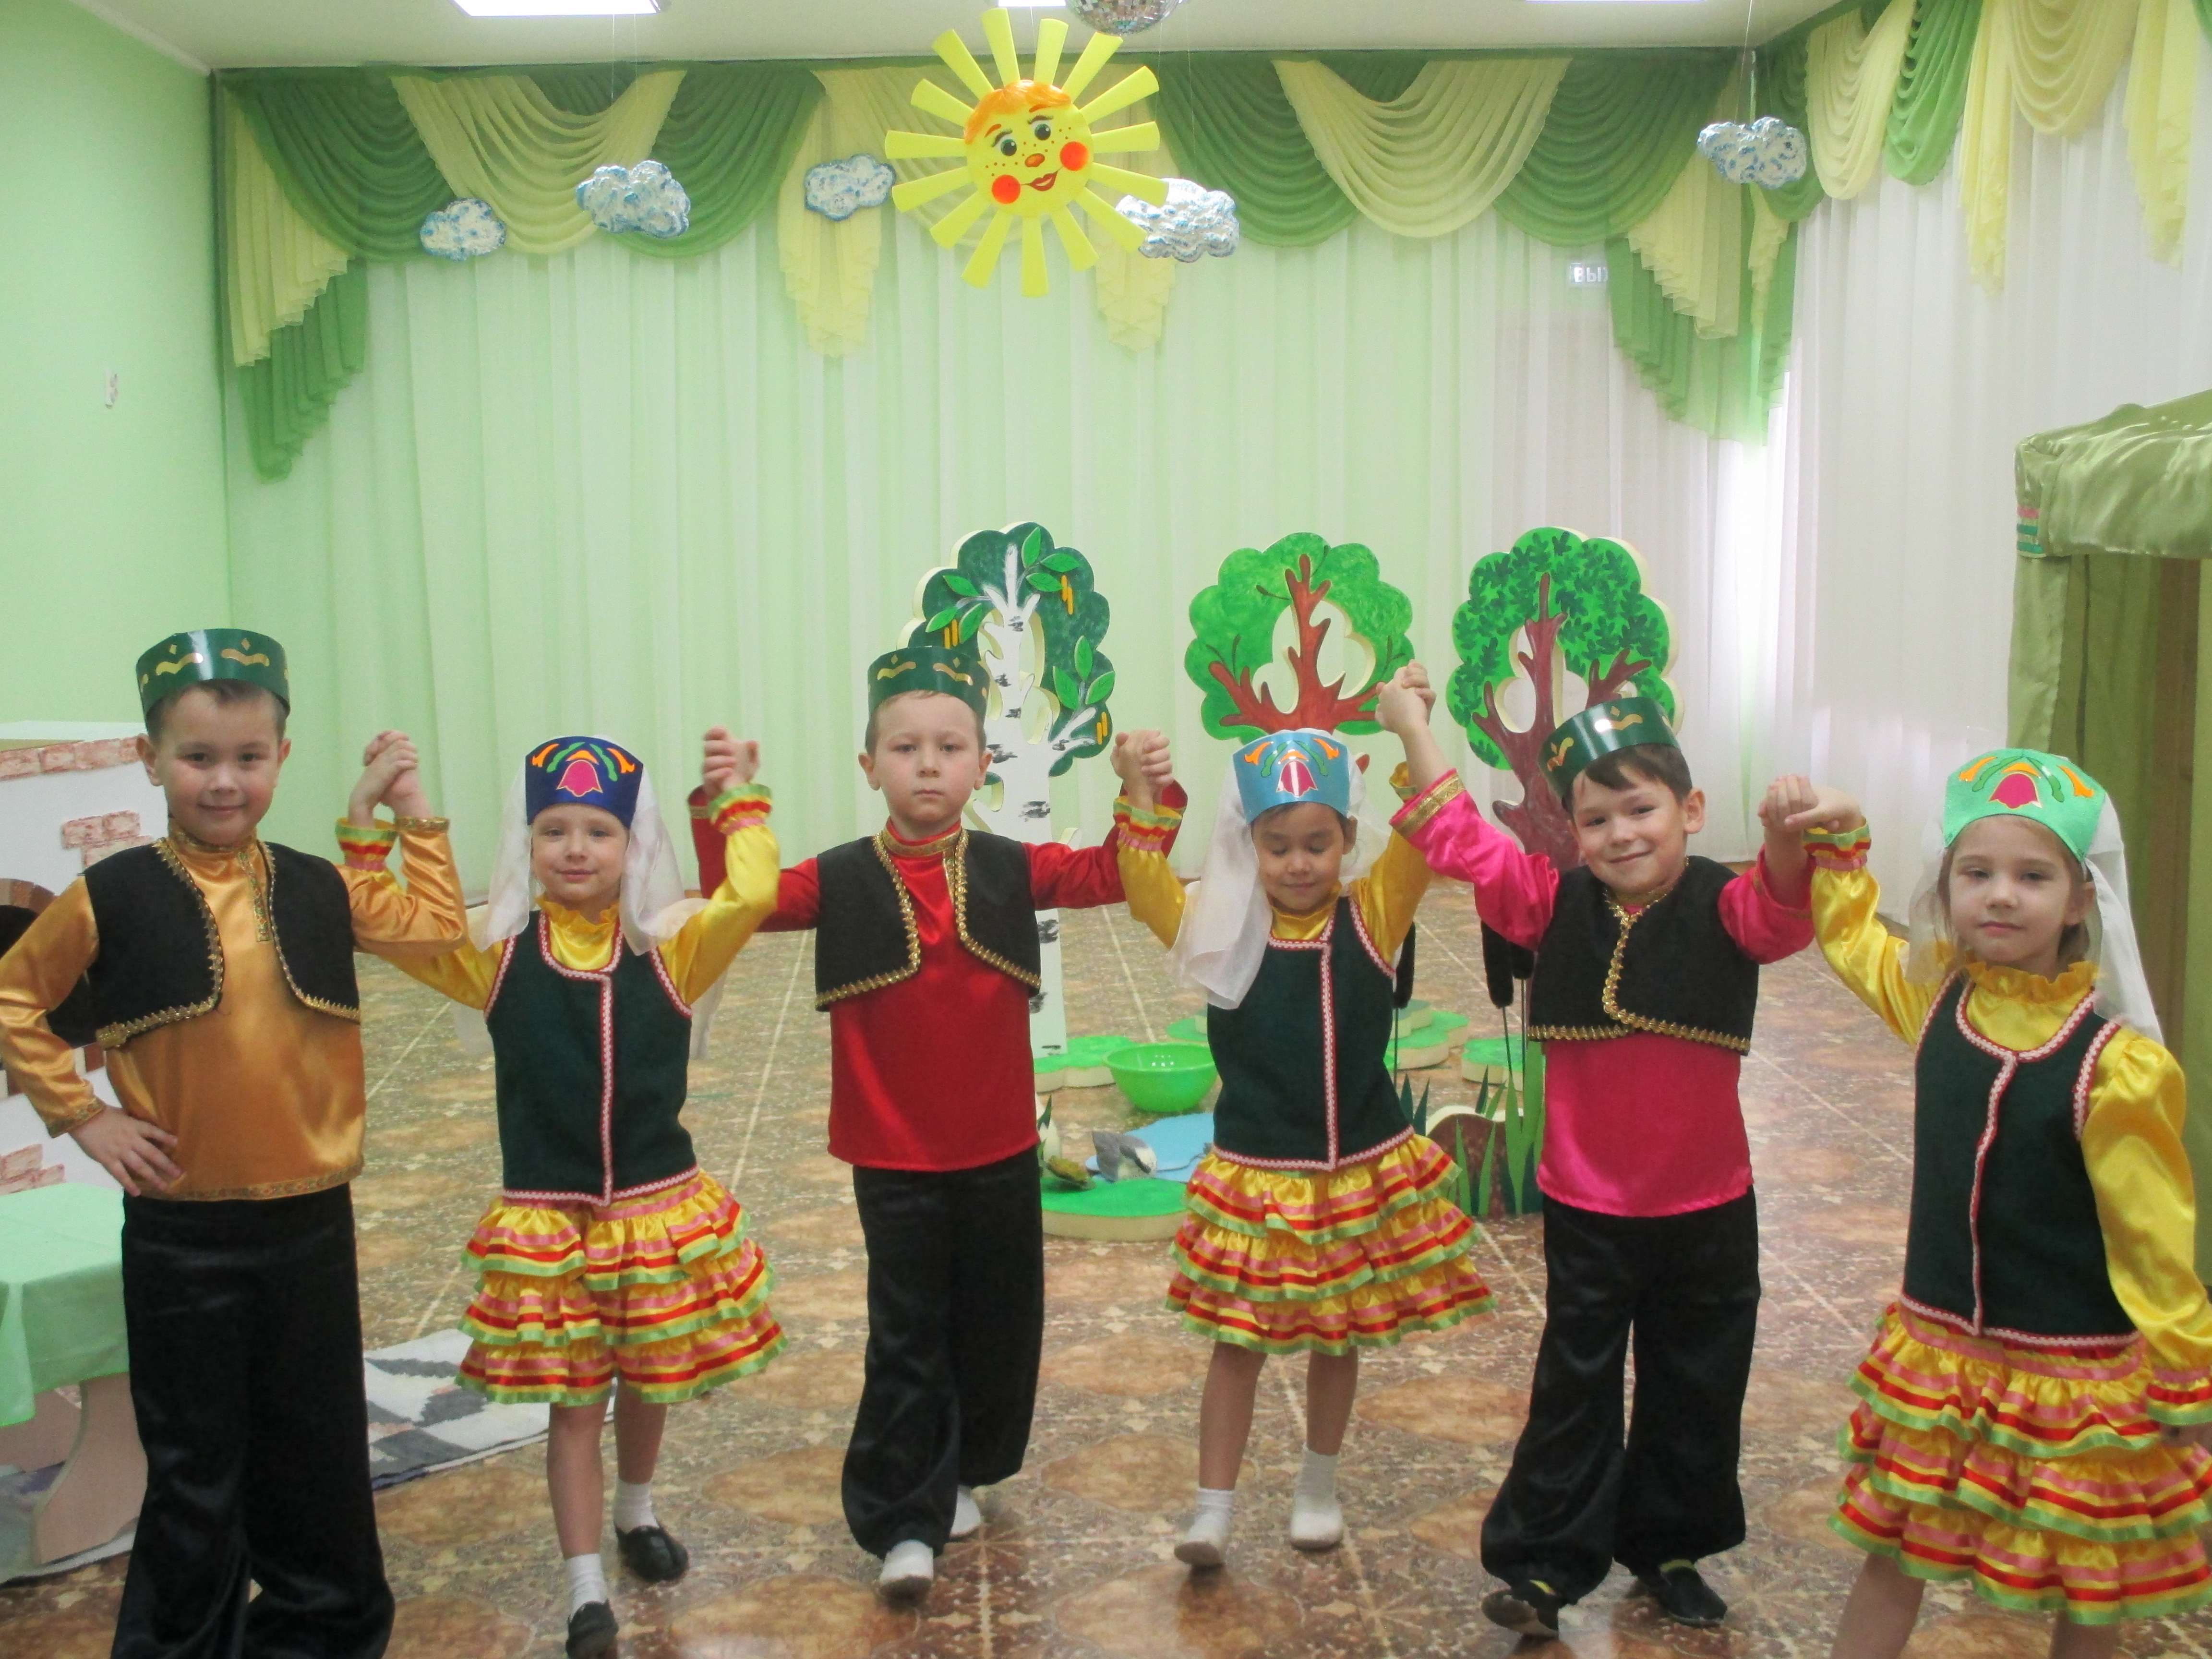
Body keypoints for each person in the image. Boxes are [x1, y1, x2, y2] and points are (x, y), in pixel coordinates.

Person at [0, 629, 467, 1659]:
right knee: (195, 1462)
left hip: (312, 1222)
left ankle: (323, 1623)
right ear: (150, 757)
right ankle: (180, 1644)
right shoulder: (110, 894)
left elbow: (438, 930)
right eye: (198, 757)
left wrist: (407, 811)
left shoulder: (318, 886)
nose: (224, 782)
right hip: (182, 1235)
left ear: (281, 759)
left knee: (317, 1444)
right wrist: (82, 1115)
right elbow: (12, 996)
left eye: (248, 758)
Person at [693, 642, 1177, 1599]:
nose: (927, 765)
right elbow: (743, 901)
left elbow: (1109, 875)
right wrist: (731, 806)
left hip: (999, 1149)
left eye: (950, 748)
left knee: (998, 1323)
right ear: (868, 766)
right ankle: (902, 1522)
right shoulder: (838, 878)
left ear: (982, 765)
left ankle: (961, 1469)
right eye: (904, 747)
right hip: (893, 1157)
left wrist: (1140, 792)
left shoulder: (1009, 867)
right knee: (908, 1334)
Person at [1395, 679, 1814, 1635]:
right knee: (1573, 1389)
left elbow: (1785, 913)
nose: (1621, 834)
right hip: (1588, 1207)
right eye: (1596, 819)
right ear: (1572, 832)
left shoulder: (1729, 906)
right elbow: (1461, 838)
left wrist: (1785, 835)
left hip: (1709, 1207)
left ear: (1691, 810)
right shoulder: (1549, 904)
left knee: (1698, 1383)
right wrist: (1414, 726)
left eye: (1641, 810)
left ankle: (1671, 1549)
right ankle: (1545, 1569)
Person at [1774, 753, 2212, 1659]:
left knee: (2090, 1575)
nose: (2001, 896)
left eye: (2033, 876)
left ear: (2082, 899)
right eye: (1976, 873)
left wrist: (2186, 1369)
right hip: (1941, 1359)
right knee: (1896, 1548)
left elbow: (2153, 1236)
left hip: (2075, 1372)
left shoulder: (2119, 1067)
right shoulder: (1937, 1001)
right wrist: (1843, 840)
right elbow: (1853, 943)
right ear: (1947, 887)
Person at [385, 729, 786, 1659]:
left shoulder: (673, 951)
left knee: (651, 1375)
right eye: (553, 830)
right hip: (549, 1224)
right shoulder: (494, 956)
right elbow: (402, 930)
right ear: (526, 844)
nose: (575, 849)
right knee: (574, 1405)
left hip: (656, 1213)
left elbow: (755, 894)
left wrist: (739, 800)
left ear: (632, 846)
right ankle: (584, 1590)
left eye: (599, 831)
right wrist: (404, 821)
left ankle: (636, 1510)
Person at [1120, 668, 1494, 1570]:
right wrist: (1138, 791)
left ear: (1348, 840)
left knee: (1340, 1334)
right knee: (1235, 1345)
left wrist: (1413, 730)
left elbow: (1434, 828)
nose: (1298, 863)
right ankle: (1212, 1508)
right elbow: (1142, 887)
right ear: (1248, 843)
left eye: (1319, 843)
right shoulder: (1219, 928)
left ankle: (1317, 1487)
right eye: (1278, 844)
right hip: (1258, 1177)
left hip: (1357, 1170)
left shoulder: (1376, 913)